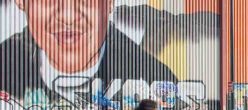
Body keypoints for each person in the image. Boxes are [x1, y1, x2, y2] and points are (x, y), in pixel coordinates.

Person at [0, 0, 176, 102]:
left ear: (109, 4)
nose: (68, 17)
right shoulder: (5, 65)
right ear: (21, 2)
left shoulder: (156, 76)